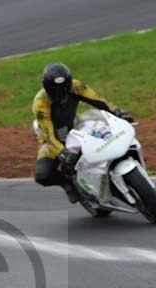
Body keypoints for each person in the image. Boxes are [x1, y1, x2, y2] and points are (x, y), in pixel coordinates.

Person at [33, 62, 133, 203]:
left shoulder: (76, 86)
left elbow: (98, 100)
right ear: (45, 86)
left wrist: (118, 111)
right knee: (42, 175)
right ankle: (68, 184)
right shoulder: (40, 103)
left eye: (63, 88)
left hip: (75, 127)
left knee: (103, 136)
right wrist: (61, 151)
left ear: (69, 83)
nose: (59, 94)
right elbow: (48, 135)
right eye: (54, 90)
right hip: (53, 139)